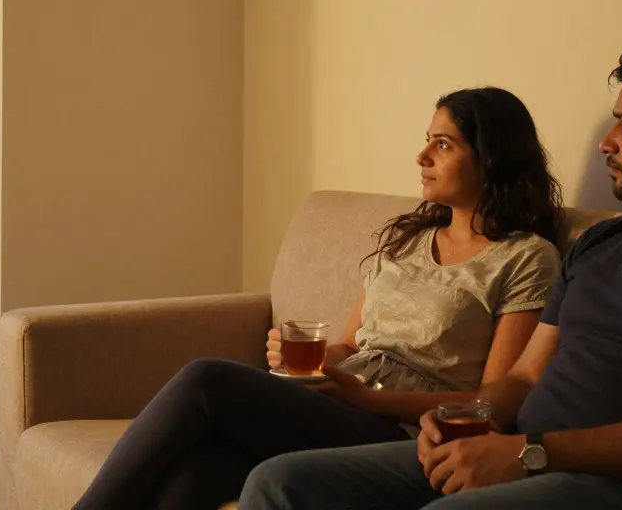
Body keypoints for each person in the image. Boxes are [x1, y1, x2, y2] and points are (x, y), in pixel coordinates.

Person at [239, 42, 622, 510]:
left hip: (617, 488)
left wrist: (529, 455)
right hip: (522, 453)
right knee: (281, 484)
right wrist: (458, 418)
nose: (606, 142)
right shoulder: (602, 243)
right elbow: (524, 380)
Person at [72, 87, 567, 510]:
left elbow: (492, 401)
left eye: (443, 145)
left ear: (492, 158)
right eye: (426, 141)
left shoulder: (526, 258)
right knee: (202, 471)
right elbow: (351, 347)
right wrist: (309, 362)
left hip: (400, 431)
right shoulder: (408, 239)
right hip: (344, 405)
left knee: (206, 381)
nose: (422, 157)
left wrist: (370, 397)